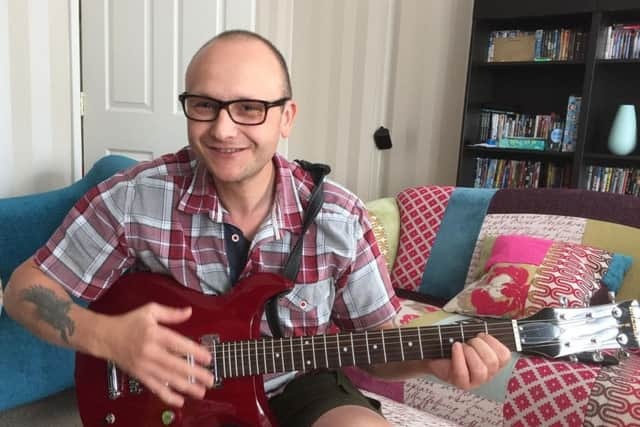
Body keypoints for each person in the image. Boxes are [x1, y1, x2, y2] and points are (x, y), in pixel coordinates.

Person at [4, 30, 511, 427]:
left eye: (250, 108)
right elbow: (24, 292)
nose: (223, 129)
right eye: (204, 105)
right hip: (169, 395)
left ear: (286, 118)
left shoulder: (340, 219)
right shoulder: (135, 198)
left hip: (299, 384)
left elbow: (379, 350)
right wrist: (110, 337)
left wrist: (430, 362)